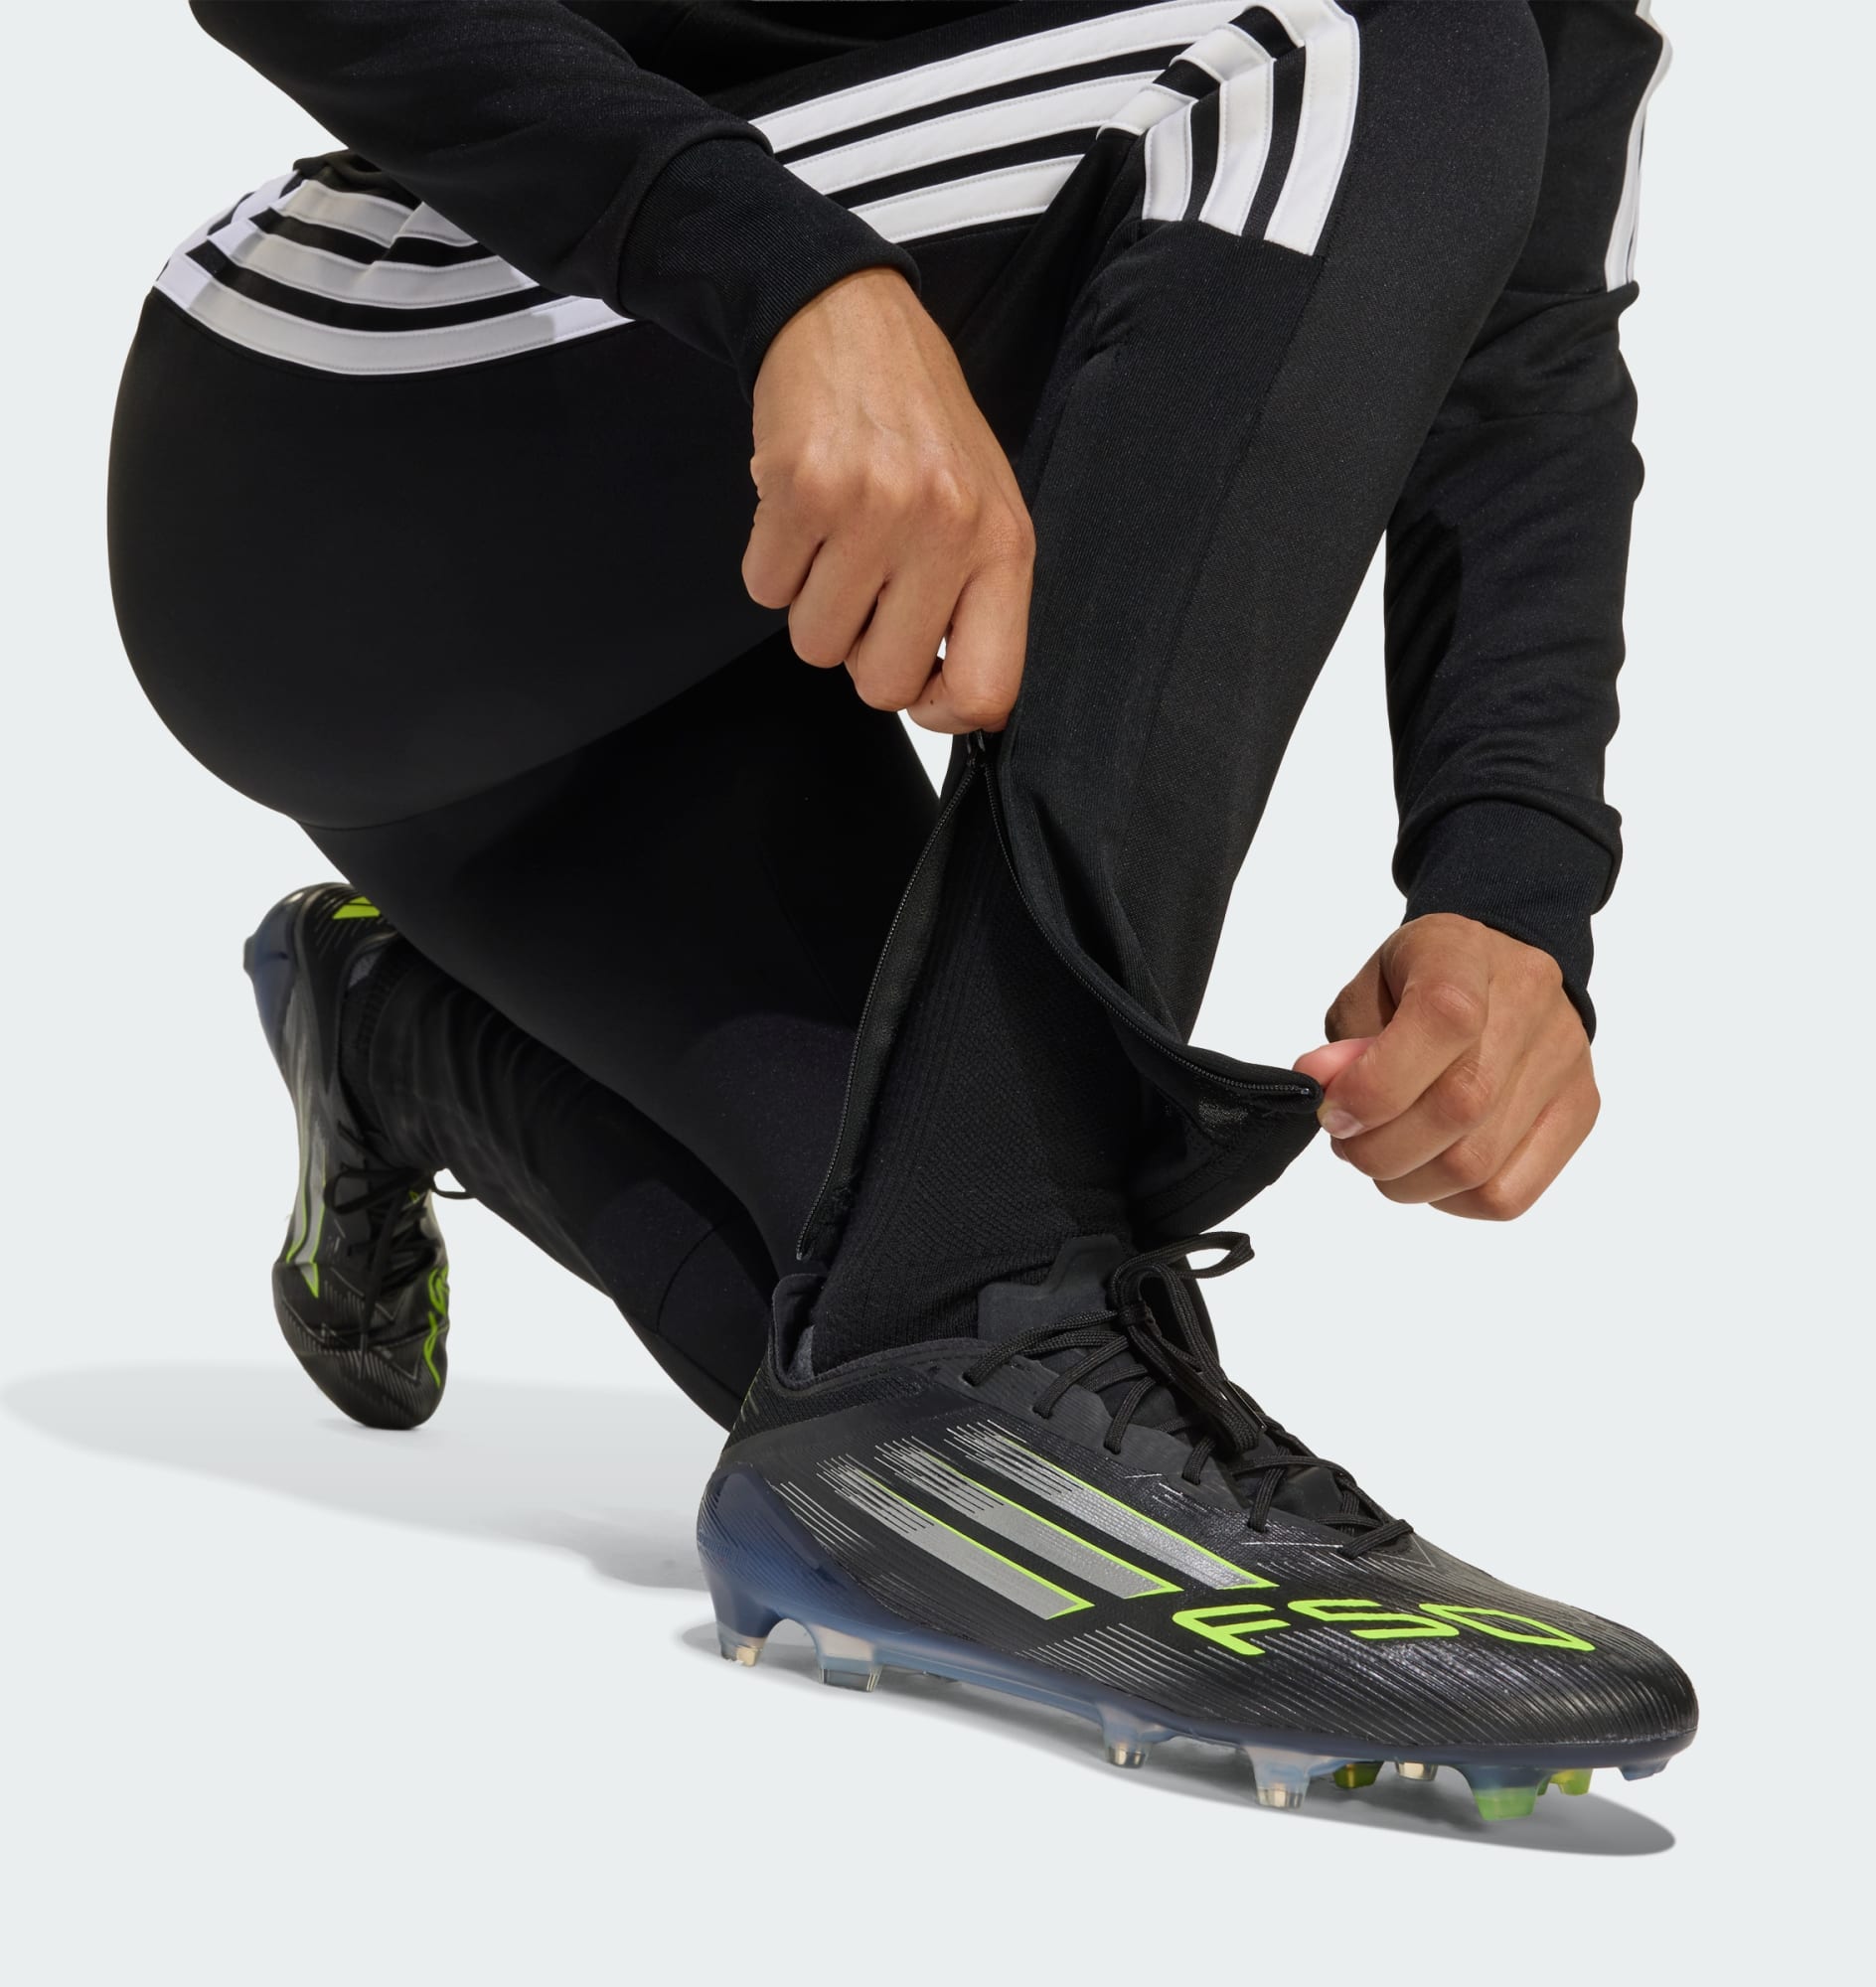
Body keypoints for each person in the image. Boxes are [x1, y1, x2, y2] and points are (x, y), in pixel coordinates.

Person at [110, 0, 1692, 1820]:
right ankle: (994, 1294)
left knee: (865, 1370)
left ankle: (410, 1037)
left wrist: (1508, 890)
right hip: (375, 444)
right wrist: (797, 281)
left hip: (709, 656)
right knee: (1386, 41)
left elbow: (1527, 339)